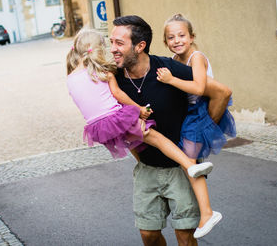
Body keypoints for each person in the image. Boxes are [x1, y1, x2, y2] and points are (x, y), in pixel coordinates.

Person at [110, 15, 231, 245]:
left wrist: (203, 134)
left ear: (140, 46)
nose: (113, 49)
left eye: (119, 43)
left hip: (181, 169)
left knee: (184, 236)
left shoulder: (168, 68)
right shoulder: (114, 79)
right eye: (111, 42)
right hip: (146, 169)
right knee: (148, 234)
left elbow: (222, 93)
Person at [66, 29, 212, 184]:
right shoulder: (102, 72)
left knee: (131, 141)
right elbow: (118, 94)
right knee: (155, 138)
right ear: (98, 49)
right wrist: (138, 109)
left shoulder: (70, 78)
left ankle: (143, 167)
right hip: (114, 118)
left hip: (98, 127)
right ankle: (189, 165)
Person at [157, 13, 237, 238]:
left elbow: (200, 88)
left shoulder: (197, 57)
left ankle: (207, 213)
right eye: (171, 37)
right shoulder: (174, 60)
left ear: (191, 37)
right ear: (165, 42)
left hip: (199, 111)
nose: (177, 40)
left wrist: (171, 80)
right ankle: (204, 207)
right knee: (189, 163)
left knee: (188, 164)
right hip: (188, 113)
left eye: (182, 35)